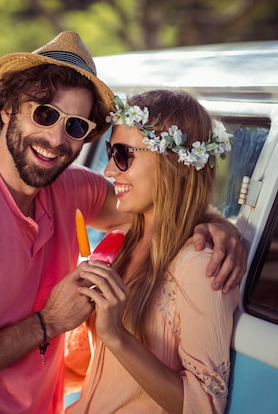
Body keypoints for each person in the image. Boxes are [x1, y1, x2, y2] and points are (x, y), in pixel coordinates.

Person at [0, 30, 247, 413]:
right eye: (45, 113)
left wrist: (219, 226)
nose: (55, 138)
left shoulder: (70, 189)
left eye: (75, 126)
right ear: (7, 109)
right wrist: (48, 322)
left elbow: (164, 206)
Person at [64, 90, 240, 413]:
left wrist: (117, 335)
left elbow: (205, 408)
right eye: (109, 152)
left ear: (174, 163)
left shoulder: (201, 265)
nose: (109, 171)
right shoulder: (121, 241)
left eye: (123, 155)